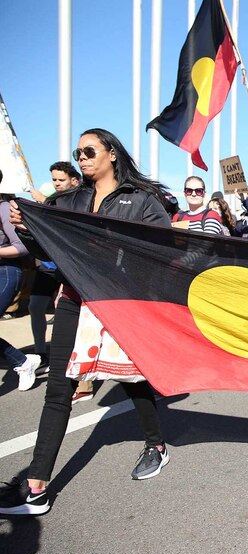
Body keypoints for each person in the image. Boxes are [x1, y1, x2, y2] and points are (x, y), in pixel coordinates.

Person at [0, 128, 174, 516]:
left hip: (118, 305)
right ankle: (36, 487)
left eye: (89, 150)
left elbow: (164, 252)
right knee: (58, 391)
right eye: (77, 152)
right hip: (74, 300)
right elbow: (46, 252)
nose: (81, 157)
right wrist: (29, 229)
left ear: (111, 154)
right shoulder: (70, 200)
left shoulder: (141, 201)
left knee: (132, 381)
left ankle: (156, 445)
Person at [29, 162, 81, 379]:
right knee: (35, 306)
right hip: (47, 267)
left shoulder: (80, 202)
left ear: (74, 181)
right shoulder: (50, 199)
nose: (57, 184)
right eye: (54, 180)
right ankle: (41, 352)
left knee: (66, 314)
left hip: (67, 270)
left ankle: (74, 364)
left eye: (61, 180)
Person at [0, 179, 41, 391]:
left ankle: (22, 363)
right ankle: (23, 362)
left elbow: (21, 247)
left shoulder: (5, 208)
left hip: (5, 273)